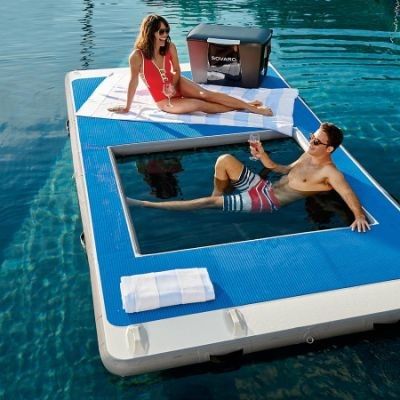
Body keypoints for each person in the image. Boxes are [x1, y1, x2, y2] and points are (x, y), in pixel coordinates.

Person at [127, 123, 371, 233]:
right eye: (312, 137)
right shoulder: (308, 155)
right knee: (224, 160)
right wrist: (263, 156)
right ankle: (217, 197)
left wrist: (359, 216)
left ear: (329, 149)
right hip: (264, 186)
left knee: (209, 203)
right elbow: (282, 169)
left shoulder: (330, 173)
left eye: (317, 141)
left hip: (268, 201)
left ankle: (147, 204)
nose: (311, 142)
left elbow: (348, 193)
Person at [108, 14, 273, 116]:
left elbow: (176, 70)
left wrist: (173, 85)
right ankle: (244, 106)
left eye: (167, 30)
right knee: (199, 105)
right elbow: (133, 81)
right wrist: (127, 107)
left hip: (177, 83)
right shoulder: (137, 56)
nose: (165, 35)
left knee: (205, 94)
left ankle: (252, 108)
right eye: (161, 32)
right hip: (163, 99)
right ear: (150, 33)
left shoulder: (170, 47)